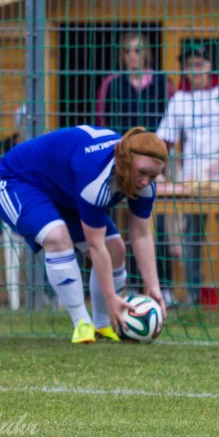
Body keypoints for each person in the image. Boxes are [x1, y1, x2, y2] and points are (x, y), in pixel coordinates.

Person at [0, 125, 169, 344]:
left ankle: (103, 326)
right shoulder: (96, 175)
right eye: (142, 172)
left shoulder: (145, 184)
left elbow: (141, 234)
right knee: (57, 237)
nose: (145, 182)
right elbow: (95, 247)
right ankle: (82, 324)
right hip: (18, 181)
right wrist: (112, 297)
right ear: (125, 160)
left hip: (66, 193)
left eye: (153, 176)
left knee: (116, 250)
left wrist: (153, 286)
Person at [155, 43, 219, 304]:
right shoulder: (179, 100)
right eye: (189, 66)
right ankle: (194, 294)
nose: (195, 70)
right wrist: (157, 167)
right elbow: (166, 138)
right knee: (192, 237)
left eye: (200, 64)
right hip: (193, 178)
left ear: (209, 66)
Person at [94, 32, 175, 305]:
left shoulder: (164, 84)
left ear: (147, 54)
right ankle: (120, 285)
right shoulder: (112, 84)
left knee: (156, 225)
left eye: (138, 51)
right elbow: (102, 122)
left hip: (155, 168)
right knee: (114, 230)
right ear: (122, 55)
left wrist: (158, 166)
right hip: (121, 167)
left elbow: (173, 124)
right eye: (128, 51)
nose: (133, 56)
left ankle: (161, 286)